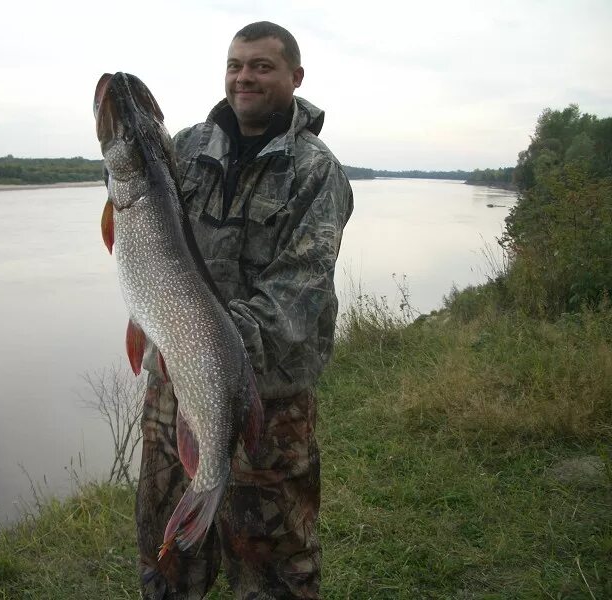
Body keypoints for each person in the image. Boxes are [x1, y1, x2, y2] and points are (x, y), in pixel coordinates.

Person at [136, 21, 354, 599]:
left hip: (271, 398)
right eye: (235, 65)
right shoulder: (183, 148)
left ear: (295, 76)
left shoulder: (315, 171)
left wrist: (215, 353)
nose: (244, 77)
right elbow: (142, 220)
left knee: (273, 562)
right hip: (172, 387)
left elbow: (299, 288)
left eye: (261, 66)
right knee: (167, 552)